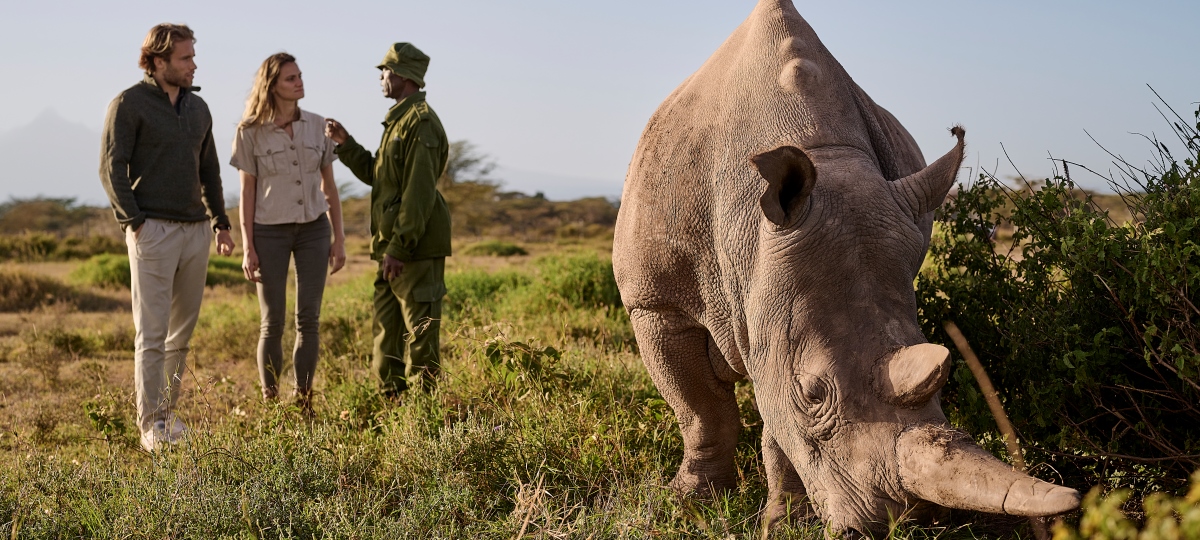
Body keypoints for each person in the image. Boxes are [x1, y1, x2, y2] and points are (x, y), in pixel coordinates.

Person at [99, 23, 235, 452]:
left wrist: (220, 223)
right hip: (152, 230)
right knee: (152, 333)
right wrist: (134, 222)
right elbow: (111, 168)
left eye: (193, 56)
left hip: (196, 231)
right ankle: (149, 426)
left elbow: (209, 170)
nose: (193, 65)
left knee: (182, 334)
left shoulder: (199, 109)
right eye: (185, 58)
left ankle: (167, 414)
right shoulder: (129, 104)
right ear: (158, 62)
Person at [324, 42, 451, 397]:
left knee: (421, 341)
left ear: (403, 76)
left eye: (385, 71)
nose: (381, 77)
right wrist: (345, 143)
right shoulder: (398, 121)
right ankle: (392, 410)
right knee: (386, 335)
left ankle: (425, 421)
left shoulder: (421, 123)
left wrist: (400, 246)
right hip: (390, 249)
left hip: (412, 250)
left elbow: (418, 194)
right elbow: (382, 178)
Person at [230, 53, 346, 415]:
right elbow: (246, 193)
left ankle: (304, 402)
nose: (299, 82)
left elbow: (330, 187)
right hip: (269, 233)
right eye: (290, 79)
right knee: (273, 320)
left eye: (299, 76)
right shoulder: (249, 131)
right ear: (272, 86)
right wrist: (248, 247)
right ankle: (271, 403)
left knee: (308, 318)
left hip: (313, 229)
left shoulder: (317, 126)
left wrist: (339, 238)